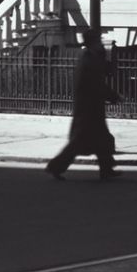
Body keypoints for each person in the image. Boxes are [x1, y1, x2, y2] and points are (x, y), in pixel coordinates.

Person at [46, 35, 119, 180]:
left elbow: (104, 73)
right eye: (98, 42)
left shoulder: (89, 57)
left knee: (102, 140)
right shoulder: (89, 60)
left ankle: (107, 170)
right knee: (79, 143)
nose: (100, 44)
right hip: (88, 109)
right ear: (94, 44)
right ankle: (55, 166)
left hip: (90, 107)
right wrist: (113, 96)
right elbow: (96, 84)